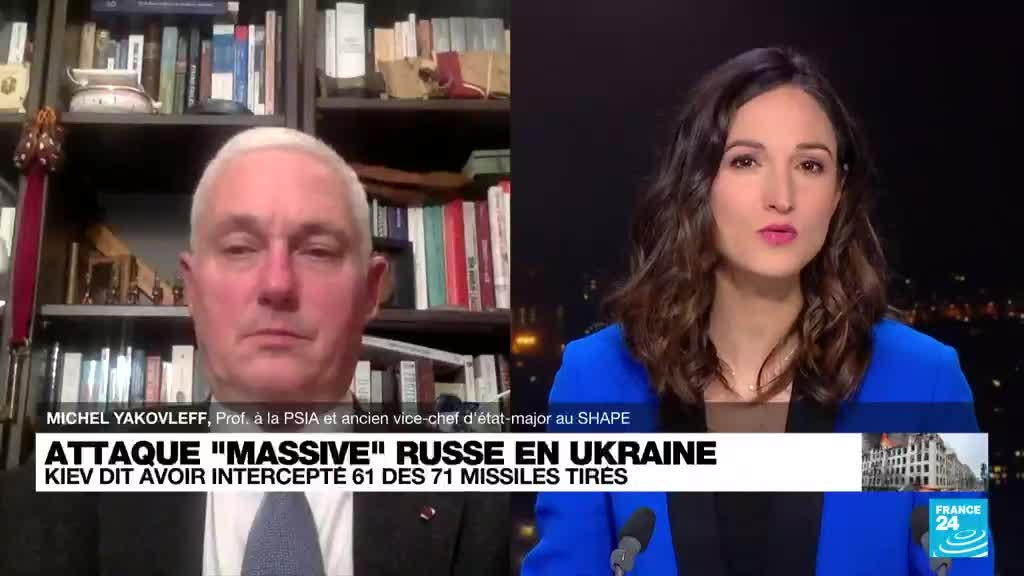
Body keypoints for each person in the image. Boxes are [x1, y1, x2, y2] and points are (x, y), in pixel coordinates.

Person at [520, 47, 993, 575]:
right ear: (698, 181)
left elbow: (964, 562)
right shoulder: (596, 379)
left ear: (838, 193)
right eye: (746, 161)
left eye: (810, 165)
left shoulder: (925, 382)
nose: (781, 197)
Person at [0, 127, 509, 575]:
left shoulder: (489, 506)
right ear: (192, 290)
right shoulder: (41, 503)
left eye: (317, 250)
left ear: (371, 291)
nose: (277, 284)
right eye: (240, 248)